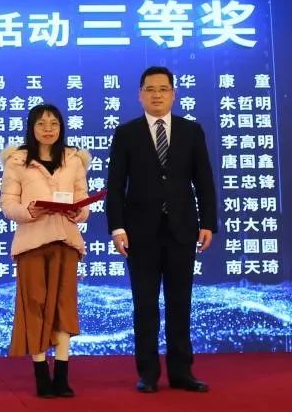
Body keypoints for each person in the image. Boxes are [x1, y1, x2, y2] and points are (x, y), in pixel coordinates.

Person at [106, 66, 217, 394]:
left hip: (182, 230)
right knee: (145, 305)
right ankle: (148, 373)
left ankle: (182, 372)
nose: (157, 95)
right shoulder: (126, 133)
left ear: (173, 94)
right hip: (140, 233)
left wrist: (208, 223)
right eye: (150, 89)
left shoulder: (191, 131)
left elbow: (204, 181)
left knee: (180, 303)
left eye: (163, 89)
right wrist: (117, 227)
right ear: (139, 95)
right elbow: (116, 186)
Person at [0, 104, 89, 398]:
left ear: (62, 127)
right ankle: (41, 375)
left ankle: (61, 376)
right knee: (34, 305)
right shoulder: (17, 161)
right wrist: (28, 211)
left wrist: (79, 211)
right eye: (41, 123)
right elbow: (8, 204)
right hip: (32, 242)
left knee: (64, 307)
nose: (48, 129)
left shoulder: (73, 159)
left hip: (66, 240)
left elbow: (82, 200)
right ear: (31, 128)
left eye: (54, 123)